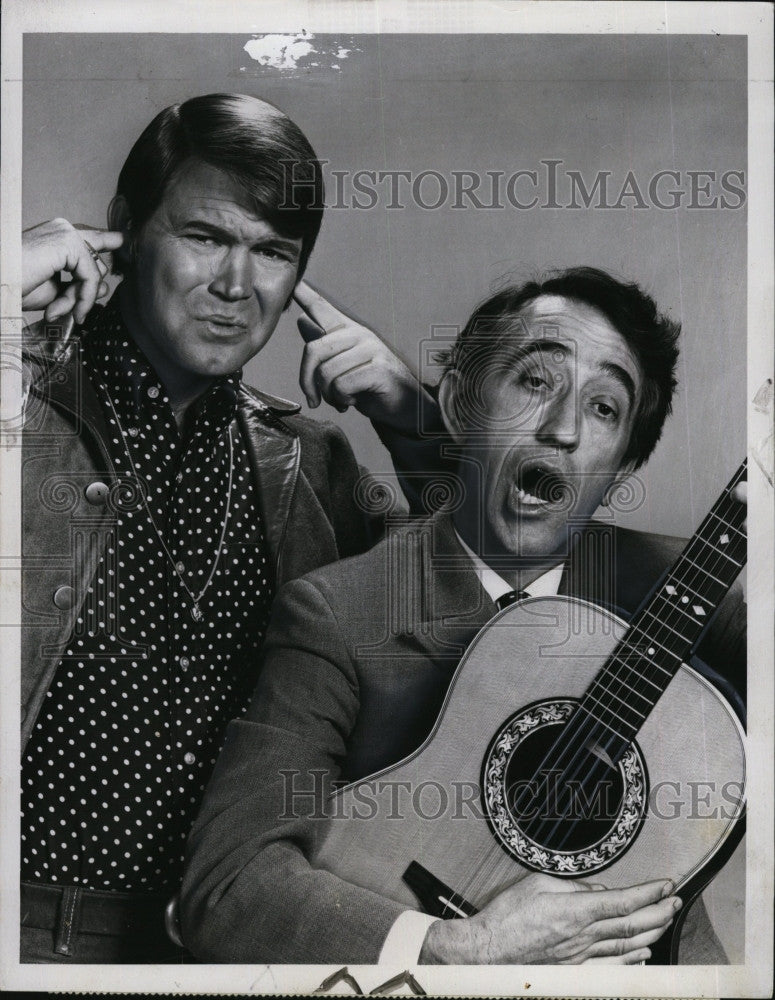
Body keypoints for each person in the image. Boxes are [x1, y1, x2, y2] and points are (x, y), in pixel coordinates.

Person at [180, 267, 746, 966]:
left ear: (623, 465)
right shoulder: (337, 612)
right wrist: (462, 947)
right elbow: (227, 884)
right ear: (459, 403)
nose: (562, 428)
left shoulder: (684, 590)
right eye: (535, 382)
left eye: (604, 408)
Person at [18, 92, 437, 963]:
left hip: (219, 945)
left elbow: (463, 602)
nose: (237, 286)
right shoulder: (18, 405)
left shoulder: (308, 461)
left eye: (273, 252)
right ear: (126, 230)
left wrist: (413, 422)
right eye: (205, 237)